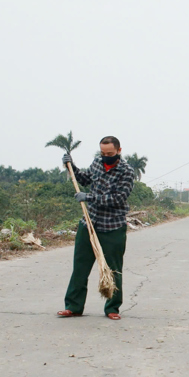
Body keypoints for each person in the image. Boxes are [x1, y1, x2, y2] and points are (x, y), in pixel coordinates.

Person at [57, 136, 136, 320]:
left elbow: (118, 198)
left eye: (110, 153)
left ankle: (112, 308)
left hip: (113, 226)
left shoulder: (126, 171)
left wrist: (89, 197)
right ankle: (73, 306)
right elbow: (84, 179)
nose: (105, 156)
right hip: (89, 223)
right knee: (80, 268)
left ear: (119, 150)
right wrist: (71, 167)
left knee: (113, 269)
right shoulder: (96, 163)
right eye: (103, 153)